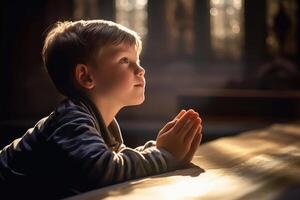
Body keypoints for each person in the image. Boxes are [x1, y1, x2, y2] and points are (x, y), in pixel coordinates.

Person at [0, 20, 202, 199]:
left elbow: (114, 161)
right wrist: (164, 155)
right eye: (125, 60)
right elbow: (103, 172)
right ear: (86, 76)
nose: (141, 70)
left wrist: (158, 148)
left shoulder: (99, 120)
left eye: (137, 61)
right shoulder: (70, 121)